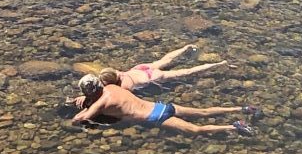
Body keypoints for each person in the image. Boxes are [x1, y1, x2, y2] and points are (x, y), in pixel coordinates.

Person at [70, 71, 252, 136]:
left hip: (156, 117)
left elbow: (79, 120)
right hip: (162, 106)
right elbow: (103, 93)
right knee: (203, 112)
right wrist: (88, 98)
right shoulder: (112, 87)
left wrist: (83, 108)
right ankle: (241, 108)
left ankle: (234, 127)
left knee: (197, 130)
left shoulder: (100, 104)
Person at [80, 43, 229, 96]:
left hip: (152, 77)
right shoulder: (117, 73)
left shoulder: (124, 86)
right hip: (140, 69)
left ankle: (219, 64)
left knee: (186, 72)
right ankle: (185, 48)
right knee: (165, 60)